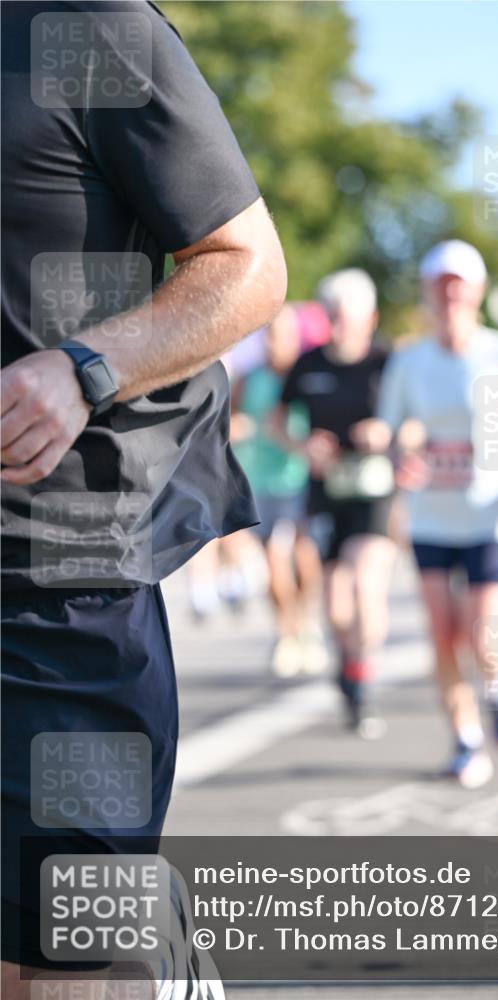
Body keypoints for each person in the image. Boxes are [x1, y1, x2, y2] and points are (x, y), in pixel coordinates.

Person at [1, 1, 286, 992]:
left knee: (60, 957)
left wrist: (83, 365)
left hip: (56, 574)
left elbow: (246, 266)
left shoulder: (88, 25)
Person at [377, 240, 498, 788]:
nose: (450, 293)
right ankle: (466, 740)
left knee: (484, 633)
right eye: (441, 283)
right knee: (442, 634)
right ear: (429, 291)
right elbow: (395, 428)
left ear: (477, 292)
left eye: (460, 283)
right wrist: (401, 456)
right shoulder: (410, 360)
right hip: (431, 515)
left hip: (489, 512)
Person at [273, 270, 396, 737]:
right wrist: (303, 447)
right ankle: (348, 664)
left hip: (375, 488)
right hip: (326, 490)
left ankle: (365, 676)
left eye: (347, 317)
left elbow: (412, 421)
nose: (339, 326)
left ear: (370, 318)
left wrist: (385, 434)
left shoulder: (388, 362)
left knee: (366, 584)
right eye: (332, 317)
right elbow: (278, 421)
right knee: (337, 601)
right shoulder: (308, 364)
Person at [231, 305, 326, 676]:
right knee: (273, 559)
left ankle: (306, 625)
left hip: (299, 479)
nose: (275, 342)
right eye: (269, 334)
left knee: (304, 556)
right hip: (262, 480)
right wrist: (237, 427)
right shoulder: (250, 377)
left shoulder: (305, 375)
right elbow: (233, 418)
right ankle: (287, 632)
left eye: (283, 334)